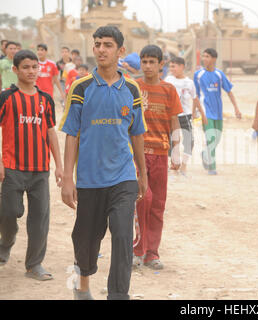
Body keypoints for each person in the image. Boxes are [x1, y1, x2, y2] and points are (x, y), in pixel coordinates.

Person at [59, 26, 147, 300]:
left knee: (122, 235)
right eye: (97, 44)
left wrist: (142, 175)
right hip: (89, 179)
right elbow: (71, 134)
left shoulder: (131, 88)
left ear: (120, 51)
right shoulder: (80, 87)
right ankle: (82, 285)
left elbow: (137, 134)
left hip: (123, 177)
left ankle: (118, 295)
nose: (100, 49)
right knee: (86, 237)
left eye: (107, 45)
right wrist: (68, 179)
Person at [0, 50, 63, 280]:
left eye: (35, 67)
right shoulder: (6, 97)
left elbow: (50, 132)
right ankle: (6, 241)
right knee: (9, 212)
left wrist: (59, 165)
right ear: (15, 70)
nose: (31, 71)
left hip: (39, 170)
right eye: (26, 67)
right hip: (12, 167)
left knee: (39, 218)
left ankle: (34, 265)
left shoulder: (45, 100)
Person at [133, 45, 183, 271]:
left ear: (161, 64)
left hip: (161, 154)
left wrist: (177, 151)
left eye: (152, 62)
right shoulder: (133, 88)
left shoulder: (169, 90)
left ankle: (152, 253)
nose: (148, 66)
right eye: (144, 62)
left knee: (158, 204)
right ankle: (136, 250)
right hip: (137, 155)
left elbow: (175, 121)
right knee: (142, 200)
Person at [194, 48, 242, 175]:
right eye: (203, 56)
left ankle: (205, 154)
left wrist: (236, 108)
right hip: (205, 112)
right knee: (211, 138)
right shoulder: (198, 75)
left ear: (214, 59)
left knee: (217, 138)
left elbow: (229, 92)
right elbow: (195, 95)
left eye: (207, 56)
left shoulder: (219, 75)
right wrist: (195, 112)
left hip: (218, 113)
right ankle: (212, 166)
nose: (204, 59)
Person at [165, 56, 206, 175]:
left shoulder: (189, 83)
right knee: (171, 141)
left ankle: (184, 165)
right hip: (171, 116)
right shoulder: (168, 80)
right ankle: (172, 164)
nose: (171, 69)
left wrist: (202, 114)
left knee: (189, 141)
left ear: (182, 67)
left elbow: (195, 98)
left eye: (174, 66)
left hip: (185, 116)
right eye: (170, 66)